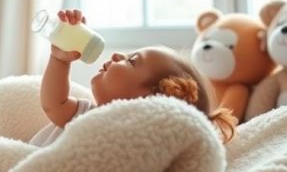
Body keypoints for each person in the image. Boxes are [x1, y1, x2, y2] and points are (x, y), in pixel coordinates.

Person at [31, 9, 238, 147]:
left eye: (132, 61)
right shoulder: (91, 114)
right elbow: (54, 104)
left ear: (153, 97)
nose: (116, 56)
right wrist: (59, 60)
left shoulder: (133, 145)